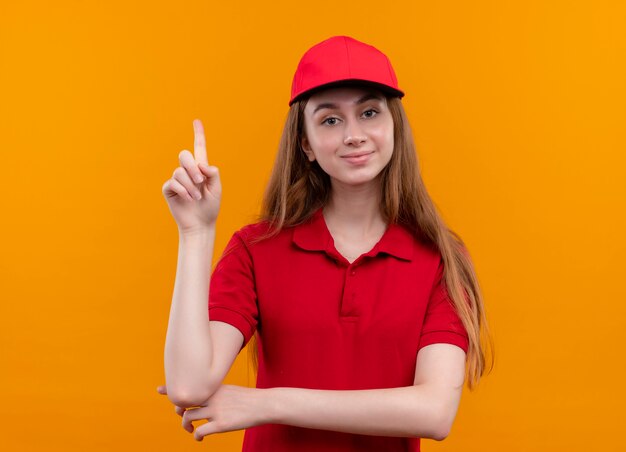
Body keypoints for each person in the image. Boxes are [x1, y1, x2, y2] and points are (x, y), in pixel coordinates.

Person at [158, 35, 494, 451]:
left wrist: (268, 404)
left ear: (394, 127)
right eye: (330, 120)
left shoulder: (441, 258)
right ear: (306, 145)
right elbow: (189, 386)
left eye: (369, 112)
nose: (354, 135)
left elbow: (434, 411)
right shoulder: (255, 249)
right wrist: (196, 233)